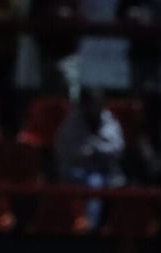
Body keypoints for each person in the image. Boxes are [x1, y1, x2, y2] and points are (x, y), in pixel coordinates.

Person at [54, 88, 126, 229]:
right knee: (85, 181)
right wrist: (86, 152)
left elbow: (117, 150)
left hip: (105, 171)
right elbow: (63, 151)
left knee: (96, 182)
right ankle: (77, 224)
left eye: (98, 104)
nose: (94, 109)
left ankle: (91, 226)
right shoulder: (71, 123)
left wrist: (96, 149)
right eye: (91, 105)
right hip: (76, 170)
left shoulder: (110, 122)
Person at [28, 0, 86, 97]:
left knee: (71, 87)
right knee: (48, 88)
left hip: (68, 50)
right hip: (47, 49)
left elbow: (81, 19)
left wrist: (68, 16)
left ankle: (72, 110)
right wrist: (50, 15)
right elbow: (32, 18)